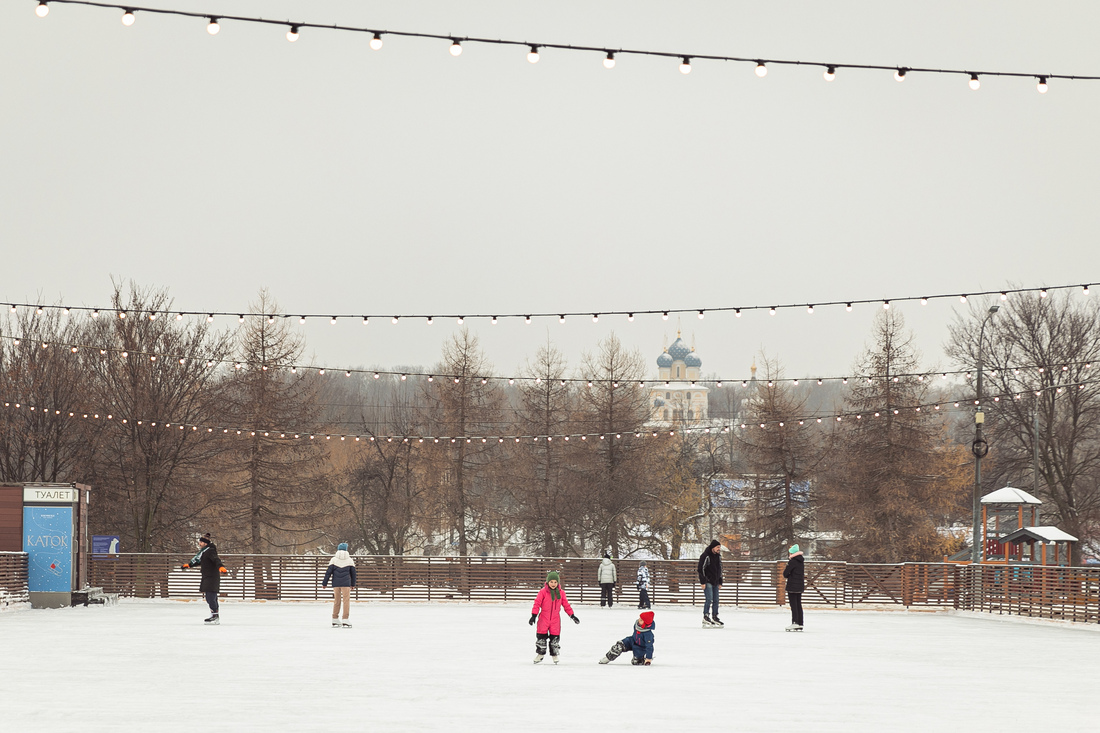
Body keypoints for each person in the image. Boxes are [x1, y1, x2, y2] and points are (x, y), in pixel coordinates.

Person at [528, 570, 580, 664]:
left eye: (555, 582)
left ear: (558, 583)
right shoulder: (543, 592)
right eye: (551, 582)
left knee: (554, 639)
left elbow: (566, 605)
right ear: (547, 582)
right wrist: (533, 615)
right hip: (543, 618)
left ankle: (554, 655)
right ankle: (540, 654)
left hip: (555, 620)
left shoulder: (561, 593)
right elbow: (537, 604)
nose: (553, 584)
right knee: (541, 638)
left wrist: (572, 615)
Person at [180, 533, 227, 624]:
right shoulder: (205, 552)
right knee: (209, 596)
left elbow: (216, 559)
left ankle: (215, 616)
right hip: (207, 576)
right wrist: (189, 565)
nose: (199, 544)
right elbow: (202, 561)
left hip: (212, 577)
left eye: (201, 542)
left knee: (210, 596)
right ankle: (214, 615)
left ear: (205, 543)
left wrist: (220, 567)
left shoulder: (210, 551)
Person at [322, 542, 357, 628]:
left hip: (336, 584)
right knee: (346, 601)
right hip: (346, 584)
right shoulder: (349, 560)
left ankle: (335, 619)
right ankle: (345, 619)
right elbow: (353, 574)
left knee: (337, 601)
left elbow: (328, 573)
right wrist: (353, 584)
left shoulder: (333, 559)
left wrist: (324, 583)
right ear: (346, 549)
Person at [697, 539, 724, 627]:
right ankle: (706, 616)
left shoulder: (718, 557)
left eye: (719, 547)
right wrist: (703, 581)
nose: (719, 549)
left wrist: (720, 581)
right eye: (717, 547)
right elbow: (701, 569)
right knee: (709, 599)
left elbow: (720, 569)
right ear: (713, 547)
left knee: (716, 600)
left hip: (715, 582)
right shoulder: (705, 556)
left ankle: (715, 616)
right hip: (707, 581)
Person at [783, 543, 805, 631]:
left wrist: (789, 576)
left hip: (792, 586)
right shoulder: (801, 561)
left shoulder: (792, 562)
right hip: (799, 585)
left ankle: (795, 622)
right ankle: (800, 622)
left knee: (793, 605)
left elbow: (785, 573)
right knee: (798, 604)